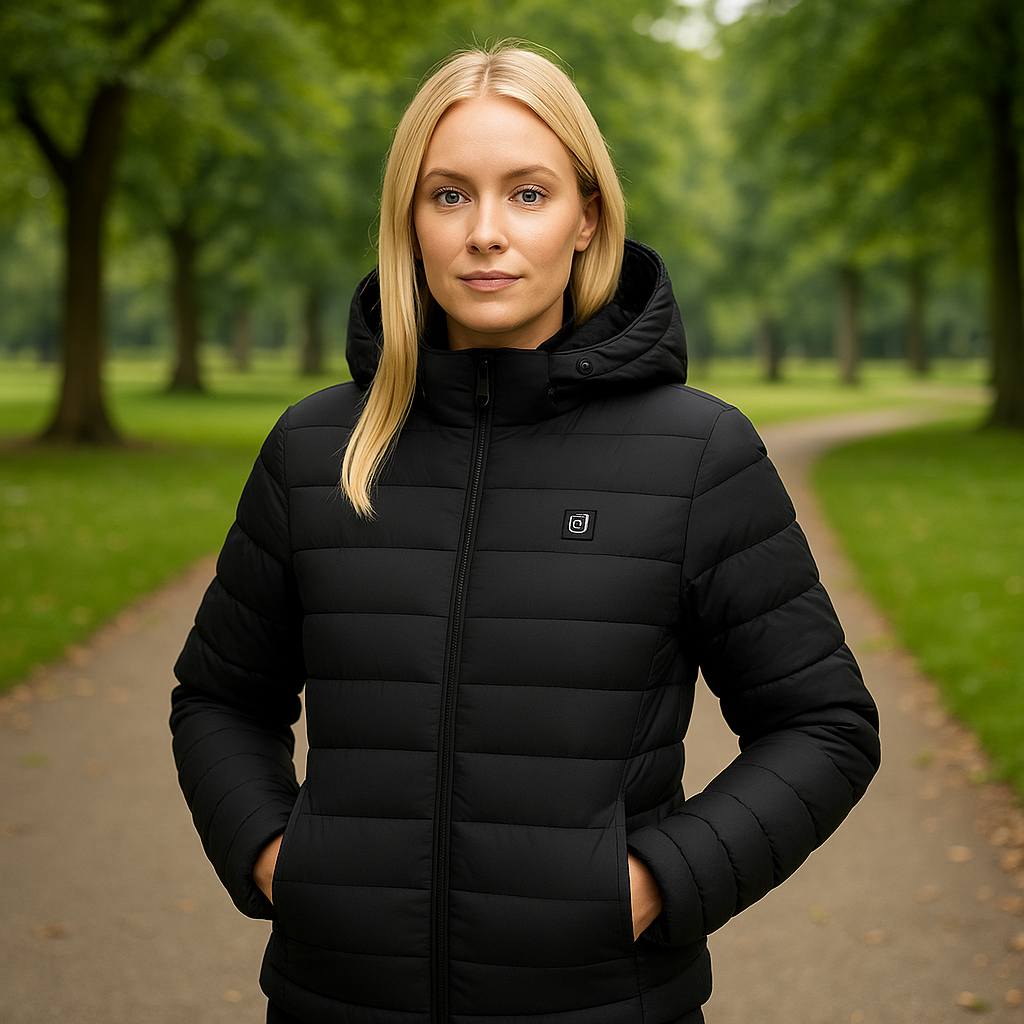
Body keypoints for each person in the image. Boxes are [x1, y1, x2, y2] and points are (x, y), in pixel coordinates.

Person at [170, 42, 880, 1024]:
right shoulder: (315, 449)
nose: (486, 233)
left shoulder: (696, 453)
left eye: (529, 193)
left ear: (588, 217)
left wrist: (651, 883)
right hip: (336, 1000)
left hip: (599, 1003)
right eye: (450, 195)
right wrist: (279, 861)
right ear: (409, 223)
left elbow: (822, 725)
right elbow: (219, 696)